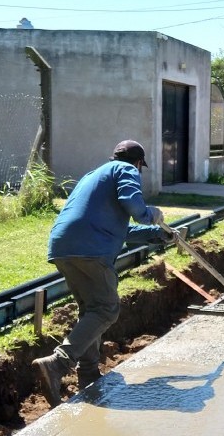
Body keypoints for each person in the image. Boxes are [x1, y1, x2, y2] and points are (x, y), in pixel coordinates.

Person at [32, 139, 170, 407]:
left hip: (63, 246)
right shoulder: (125, 170)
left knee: (91, 311)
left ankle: (89, 375)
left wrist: (158, 235)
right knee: (107, 309)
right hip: (90, 250)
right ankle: (58, 363)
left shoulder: (93, 176)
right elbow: (134, 206)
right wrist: (151, 214)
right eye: (140, 167)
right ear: (139, 163)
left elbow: (118, 230)